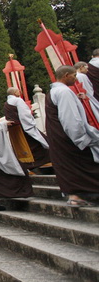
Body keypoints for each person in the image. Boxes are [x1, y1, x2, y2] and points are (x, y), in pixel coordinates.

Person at [45, 65, 99, 207]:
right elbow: (70, 119)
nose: (76, 79)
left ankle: (75, 196)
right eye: (74, 75)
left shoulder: (54, 91)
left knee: (70, 167)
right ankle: (78, 196)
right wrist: (82, 139)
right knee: (84, 164)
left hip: (59, 138)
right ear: (66, 75)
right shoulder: (63, 92)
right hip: (70, 139)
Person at [3, 87, 51, 170]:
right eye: (18, 91)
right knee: (35, 144)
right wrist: (31, 123)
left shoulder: (6, 103)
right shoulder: (18, 101)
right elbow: (25, 115)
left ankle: (27, 165)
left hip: (14, 130)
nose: (20, 92)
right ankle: (41, 163)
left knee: (21, 147)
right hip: (23, 127)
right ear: (14, 92)